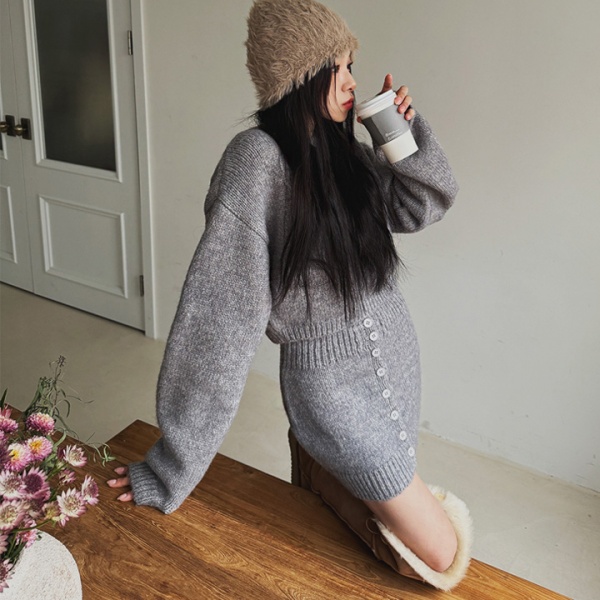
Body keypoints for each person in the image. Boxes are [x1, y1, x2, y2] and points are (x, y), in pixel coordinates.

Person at [108, 0, 472, 590]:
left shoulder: (342, 152)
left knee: (386, 514)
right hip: (332, 388)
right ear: (299, 76)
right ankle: (322, 469)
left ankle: (321, 469)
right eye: (337, 67)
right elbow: (217, 326)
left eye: (351, 65)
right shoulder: (254, 165)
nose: (351, 82)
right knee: (439, 552)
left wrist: (396, 134)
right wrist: (173, 465)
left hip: (395, 360)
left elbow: (423, 204)